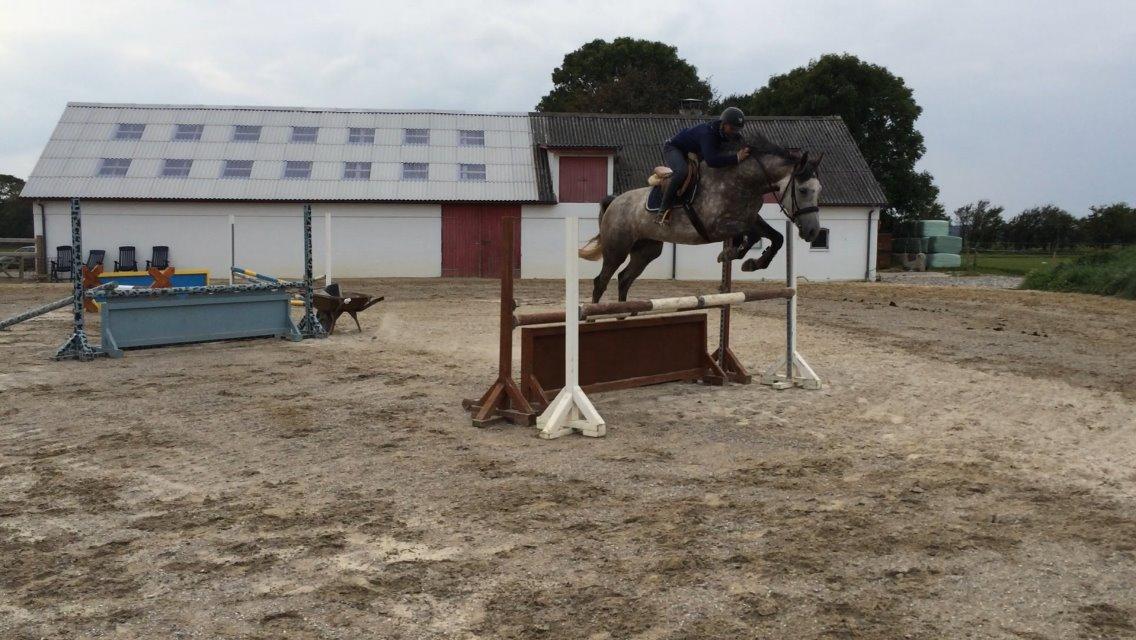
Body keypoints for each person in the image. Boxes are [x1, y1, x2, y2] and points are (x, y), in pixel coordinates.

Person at [658, 106, 751, 216]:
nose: (734, 133)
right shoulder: (708, 134)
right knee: (681, 171)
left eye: (737, 130)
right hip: (674, 148)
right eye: (732, 129)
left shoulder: (731, 133)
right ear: (724, 124)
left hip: (694, 152)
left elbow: (744, 147)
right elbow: (711, 161)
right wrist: (736, 158)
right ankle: (663, 208)